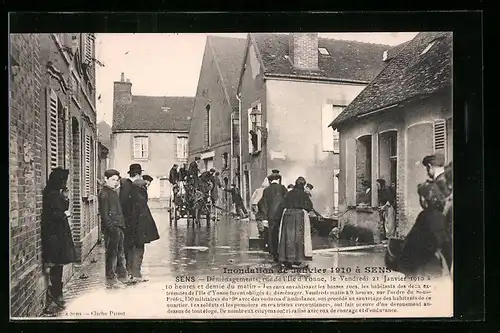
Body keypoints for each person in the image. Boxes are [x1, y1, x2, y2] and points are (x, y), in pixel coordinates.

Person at [385, 180, 451, 278]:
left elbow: (442, 244)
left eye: (420, 196)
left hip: (423, 269)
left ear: (425, 199)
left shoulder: (428, 216)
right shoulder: (437, 216)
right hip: (428, 267)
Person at [41, 167, 76, 315]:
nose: (65, 182)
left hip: (57, 233)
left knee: (58, 263)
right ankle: (55, 293)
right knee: (56, 262)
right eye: (63, 180)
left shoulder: (53, 193)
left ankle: (56, 293)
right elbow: (53, 214)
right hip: (55, 234)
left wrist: (65, 199)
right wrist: (65, 214)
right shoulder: (53, 195)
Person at [98, 169, 129, 289]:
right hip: (112, 228)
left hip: (119, 226)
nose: (115, 182)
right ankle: (110, 280)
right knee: (111, 254)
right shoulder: (104, 193)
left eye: (117, 180)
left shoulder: (113, 192)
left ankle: (121, 277)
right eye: (112, 180)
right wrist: (112, 229)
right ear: (106, 179)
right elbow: (104, 214)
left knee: (120, 253)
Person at [275, 177, 314, 268]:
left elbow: (282, 205)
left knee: (288, 237)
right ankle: (298, 259)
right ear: (303, 185)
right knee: (298, 238)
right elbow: (309, 206)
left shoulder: (289, 193)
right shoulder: (304, 194)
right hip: (298, 216)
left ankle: (286, 259)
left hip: (287, 216)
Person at [129, 176, 160, 282]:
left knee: (133, 251)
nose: (147, 188)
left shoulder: (133, 198)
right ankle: (136, 274)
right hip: (139, 232)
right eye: (145, 186)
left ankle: (133, 273)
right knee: (139, 251)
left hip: (134, 231)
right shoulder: (140, 200)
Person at [119, 163, 143, 283]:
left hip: (129, 222)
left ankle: (132, 272)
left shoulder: (126, 185)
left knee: (130, 247)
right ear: (138, 174)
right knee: (133, 247)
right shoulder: (132, 186)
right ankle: (133, 272)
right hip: (132, 222)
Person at [258, 174, 288, 262]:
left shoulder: (266, 190)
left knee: (272, 233)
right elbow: (286, 200)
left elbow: (263, 203)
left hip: (270, 215)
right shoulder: (283, 188)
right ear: (278, 180)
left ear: (270, 181)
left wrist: (265, 216)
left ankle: (273, 252)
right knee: (281, 232)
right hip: (281, 214)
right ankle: (282, 252)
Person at [250, 178, 270, 250]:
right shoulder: (269, 190)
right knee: (266, 224)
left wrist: (252, 208)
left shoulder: (257, 190)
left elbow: (252, 199)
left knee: (259, 222)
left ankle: (261, 235)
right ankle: (265, 238)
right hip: (265, 209)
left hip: (257, 207)